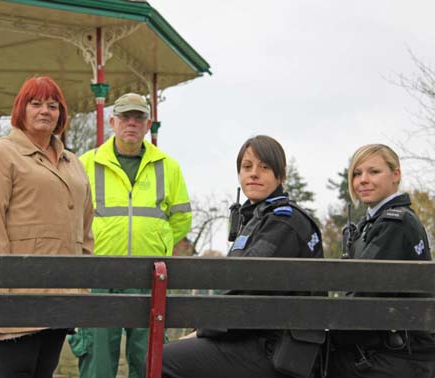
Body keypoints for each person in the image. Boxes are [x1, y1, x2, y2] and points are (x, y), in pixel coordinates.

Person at [161, 135, 324, 378]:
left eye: (264, 167)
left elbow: (249, 291)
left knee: (161, 361)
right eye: (247, 167)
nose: (253, 173)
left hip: (275, 351)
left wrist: (203, 331)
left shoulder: (283, 222)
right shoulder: (261, 218)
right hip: (258, 340)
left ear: (280, 175)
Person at [0, 76, 94, 378]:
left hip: (63, 290)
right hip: (17, 292)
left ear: (61, 115)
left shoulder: (72, 163)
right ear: (20, 110)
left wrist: (83, 283)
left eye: (53, 105)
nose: (45, 111)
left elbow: (86, 225)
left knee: (44, 373)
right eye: (35, 103)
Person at [68, 93, 192, 378]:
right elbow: (72, 217)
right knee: (98, 362)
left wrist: (158, 243)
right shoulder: (86, 163)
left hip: (149, 276)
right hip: (99, 274)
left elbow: (182, 217)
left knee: (148, 361)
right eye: (125, 117)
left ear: (148, 124)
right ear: (113, 121)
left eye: (138, 118)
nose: (131, 123)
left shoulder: (168, 166)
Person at [328, 143, 435, 378]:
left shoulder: (395, 224)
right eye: (357, 173)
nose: (363, 180)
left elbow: (364, 296)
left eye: (373, 172)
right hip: (388, 350)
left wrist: (326, 332)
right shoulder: (376, 223)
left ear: (395, 175)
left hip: (396, 355)